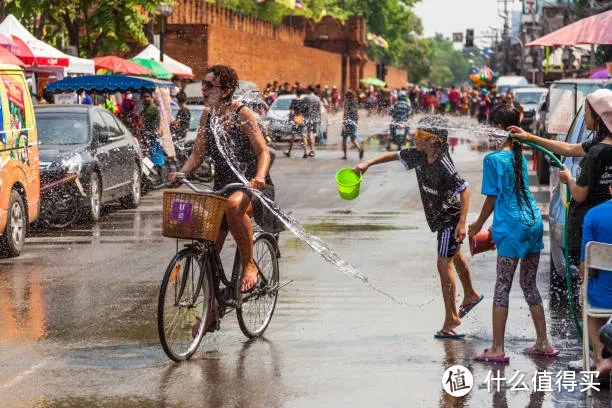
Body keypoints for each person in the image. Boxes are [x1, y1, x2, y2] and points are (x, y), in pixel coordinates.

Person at [355, 117, 482, 338]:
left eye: (421, 136)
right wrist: (368, 164)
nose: (416, 138)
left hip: (448, 219)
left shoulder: (443, 163)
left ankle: (451, 317)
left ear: (433, 141)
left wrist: (462, 223)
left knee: (444, 264)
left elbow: (464, 190)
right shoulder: (418, 155)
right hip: (440, 219)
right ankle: (470, 293)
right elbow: (394, 155)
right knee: (454, 255)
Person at [171, 64, 274, 299]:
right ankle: (210, 312)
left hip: (252, 186)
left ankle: (249, 264)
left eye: (209, 85)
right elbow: (198, 154)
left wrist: (258, 177)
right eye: (203, 84)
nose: (203, 89)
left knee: (233, 206)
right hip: (222, 187)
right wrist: (182, 173)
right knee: (209, 249)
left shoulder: (242, 113)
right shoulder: (207, 115)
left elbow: (263, 152)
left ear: (225, 91)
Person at [469, 105, 557, 363]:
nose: (488, 131)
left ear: (502, 129)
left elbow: (492, 198)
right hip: (532, 223)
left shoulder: (493, 159)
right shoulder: (518, 154)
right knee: (528, 284)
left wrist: (476, 225)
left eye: (491, 126)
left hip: (510, 226)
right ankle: (543, 342)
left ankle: (497, 347)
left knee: (502, 286)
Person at [509, 89, 612, 270]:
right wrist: (529, 137)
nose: (585, 116)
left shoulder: (596, 152)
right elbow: (570, 149)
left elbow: (579, 195)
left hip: (587, 225)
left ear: (598, 117)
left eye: (587, 112)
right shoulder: (600, 145)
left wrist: (568, 178)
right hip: (606, 223)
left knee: (587, 277)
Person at [579, 184, 612, 376]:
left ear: (610, 188)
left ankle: (600, 357)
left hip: (602, 296)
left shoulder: (593, 215)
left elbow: (586, 269)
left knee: (590, 297)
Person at [284, 88, 309, 158]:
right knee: (304, 136)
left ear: (296, 93)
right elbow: (307, 111)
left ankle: (289, 152)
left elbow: (291, 111)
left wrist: (290, 118)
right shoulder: (304, 101)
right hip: (302, 119)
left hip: (296, 119)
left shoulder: (294, 101)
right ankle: (306, 152)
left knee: (293, 136)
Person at [341, 89, 364, 160]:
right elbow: (357, 114)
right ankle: (360, 149)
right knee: (353, 139)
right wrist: (356, 123)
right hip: (353, 122)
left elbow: (345, 113)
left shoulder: (346, 102)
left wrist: (344, 122)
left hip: (348, 122)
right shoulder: (355, 102)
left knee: (344, 139)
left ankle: (345, 155)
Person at [304, 85, 321, 157]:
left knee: (309, 134)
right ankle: (313, 150)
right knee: (312, 133)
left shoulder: (307, 98)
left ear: (309, 90)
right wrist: (319, 118)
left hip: (309, 118)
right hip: (315, 118)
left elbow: (305, 109)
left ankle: (312, 150)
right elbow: (319, 109)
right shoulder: (317, 98)